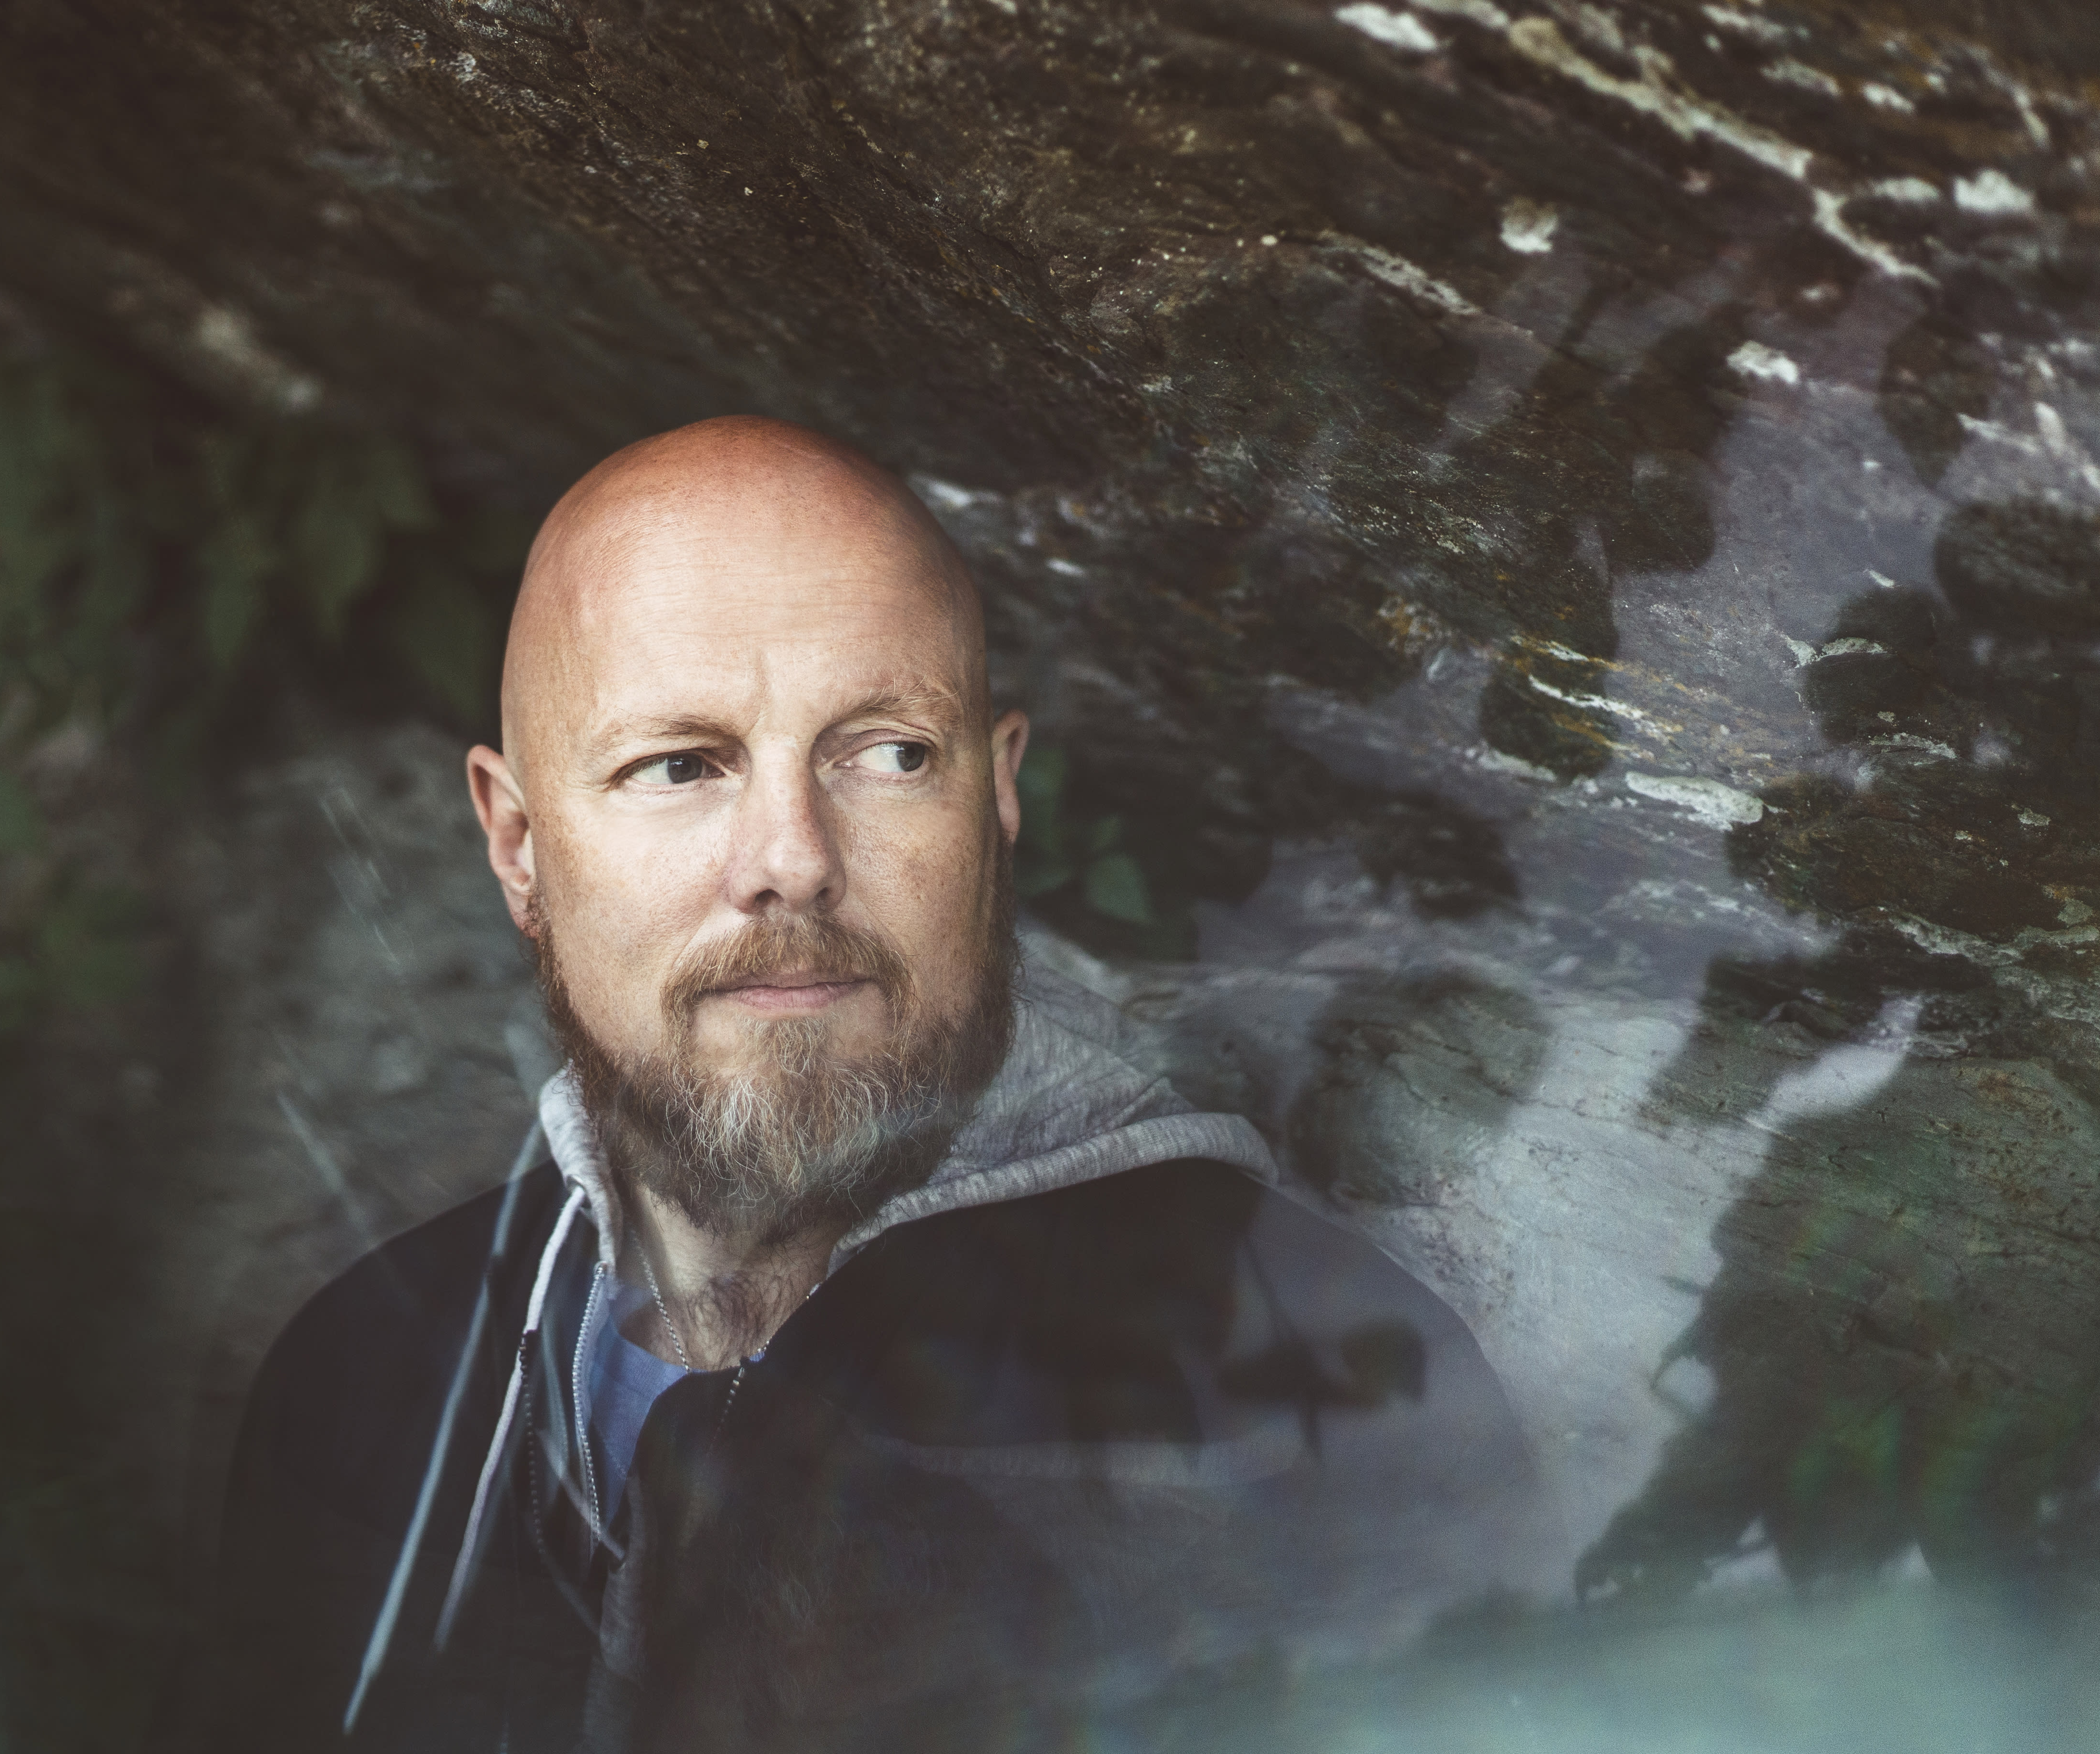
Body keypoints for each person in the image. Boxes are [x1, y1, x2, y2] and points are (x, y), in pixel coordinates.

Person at [164, 417, 1548, 1753]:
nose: (793, 859)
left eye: (890, 755)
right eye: (679, 766)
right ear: (520, 846)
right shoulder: (368, 1378)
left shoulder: (1319, 1396)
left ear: (995, 799)